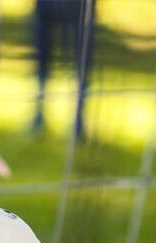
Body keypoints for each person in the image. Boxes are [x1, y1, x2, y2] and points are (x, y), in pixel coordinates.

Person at [32, 0, 96, 139]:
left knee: (82, 61)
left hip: (80, 6)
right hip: (46, 5)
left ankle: (79, 122)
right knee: (42, 58)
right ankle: (39, 116)